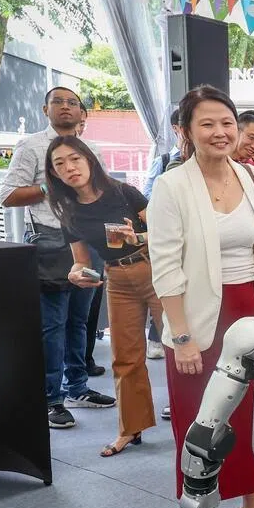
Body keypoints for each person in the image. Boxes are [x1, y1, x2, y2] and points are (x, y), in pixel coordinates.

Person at [147, 85, 254, 508]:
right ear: (187, 131)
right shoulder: (172, 185)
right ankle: (201, 505)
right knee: (202, 418)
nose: (219, 131)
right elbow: (166, 265)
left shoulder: (252, 178)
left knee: (253, 417)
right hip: (197, 318)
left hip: (252, 312)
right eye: (207, 123)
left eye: (226, 123)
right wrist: (180, 335)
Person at [0, 87, 114, 429]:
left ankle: (77, 386)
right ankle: (51, 398)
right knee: (52, 324)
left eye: (72, 102)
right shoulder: (31, 145)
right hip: (50, 240)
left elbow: (101, 193)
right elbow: (8, 196)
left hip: (89, 238)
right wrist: (53, 184)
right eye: (58, 102)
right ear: (45, 108)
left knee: (80, 320)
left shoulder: (91, 149)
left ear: (82, 112)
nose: (66, 107)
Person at [45, 137, 163, 457]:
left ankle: (195, 421)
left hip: (156, 269)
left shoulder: (123, 191)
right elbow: (80, 260)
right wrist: (76, 273)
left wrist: (137, 235)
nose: (69, 168)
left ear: (89, 160)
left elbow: (167, 230)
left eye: (75, 159)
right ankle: (130, 428)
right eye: (60, 164)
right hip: (117, 279)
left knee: (182, 349)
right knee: (124, 358)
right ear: (54, 174)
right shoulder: (68, 211)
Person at [143, 108, 185, 199]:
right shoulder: (162, 161)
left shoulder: (204, 159)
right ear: (175, 128)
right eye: (185, 125)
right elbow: (147, 193)